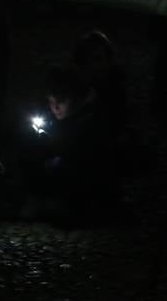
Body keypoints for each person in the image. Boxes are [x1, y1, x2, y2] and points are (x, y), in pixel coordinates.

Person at [20, 64, 116, 222]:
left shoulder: (92, 122)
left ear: (77, 98)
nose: (55, 107)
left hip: (84, 184)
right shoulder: (54, 118)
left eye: (61, 101)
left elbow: (85, 159)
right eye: (51, 101)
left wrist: (56, 152)